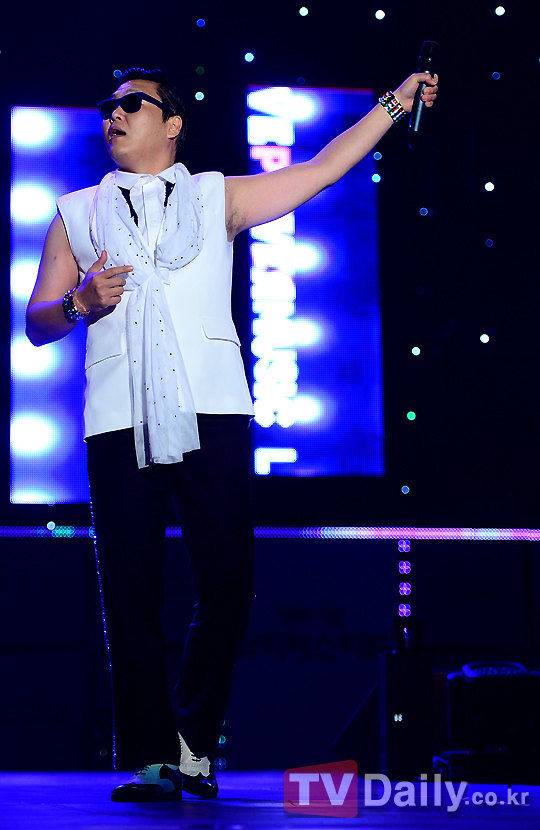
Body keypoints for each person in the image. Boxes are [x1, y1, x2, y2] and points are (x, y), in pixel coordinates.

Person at [26, 66, 438, 802]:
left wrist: (393, 104)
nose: (113, 115)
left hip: (210, 408)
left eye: (130, 104)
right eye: (107, 107)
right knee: (131, 592)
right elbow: (37, 322)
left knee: (229, 584)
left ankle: (192, 738)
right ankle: (152, 759)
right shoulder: (76, 212)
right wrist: (80, 304)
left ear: (172, 122)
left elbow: (321, 169)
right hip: (118, 416)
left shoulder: (216, 196)